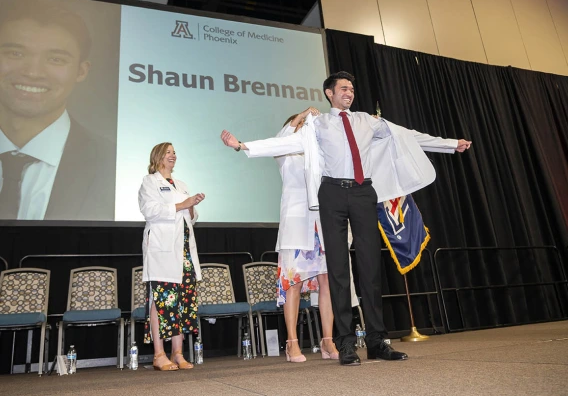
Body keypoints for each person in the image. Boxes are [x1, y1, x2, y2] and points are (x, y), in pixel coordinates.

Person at [221, 71, 471, 366]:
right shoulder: (319, 123)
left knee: (370, 267)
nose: (349, 92)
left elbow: (406, 135)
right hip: (332, 194)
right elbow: (285, 144)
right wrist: (243, 146)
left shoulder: (367, 120)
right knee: (337, 269)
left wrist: (449, 143)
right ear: (329, 93)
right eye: (343, 88)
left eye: (352, 88)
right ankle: (346, 343)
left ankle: (378, 342)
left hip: (364, 192)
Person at [0, 0, 115, 220]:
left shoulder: (114, 164)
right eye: (15, 54)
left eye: (55, 59)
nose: (33, 72)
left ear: (81, 71)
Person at [273, 107, 339, 362]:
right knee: (294, 282)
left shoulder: (318, 156)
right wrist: (299, 116)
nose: (304, 129)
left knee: (326, 282)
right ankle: (292, 343)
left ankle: (327, 341)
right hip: (296, 225)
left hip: (320, 226)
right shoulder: (285, 153)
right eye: (300, 126)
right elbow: (280, 138)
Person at [138, 142, 205, 371]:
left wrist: (192, 208)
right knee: (161, 301)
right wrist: (182, 204)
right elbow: (150, 211)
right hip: (162, 252)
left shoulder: (181, 184)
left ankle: (178, 353)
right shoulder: (150, 182)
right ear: (158, 156)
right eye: (168, 152)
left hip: (184, 252)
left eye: (175, 152)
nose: (173, 155)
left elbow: (190, 218)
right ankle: (159, 354)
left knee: (182, 302)